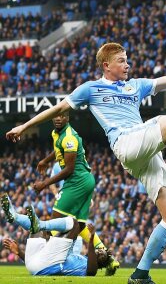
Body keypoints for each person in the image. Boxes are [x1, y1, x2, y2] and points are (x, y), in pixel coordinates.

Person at [6, 43, 166, 284]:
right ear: (106, 65)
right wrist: (25, 126)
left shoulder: (136, 86)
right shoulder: (91, 89)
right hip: (125, 142)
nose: (127, 64)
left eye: (127, 59)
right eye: (122, 61)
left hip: (144, 149)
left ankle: (140, 274)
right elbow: (58, 108)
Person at [35, 111, 119, 275]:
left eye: (62, 116)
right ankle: (109, 260)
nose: (58, 119)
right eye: (56, 116)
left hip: (76, 182)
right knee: (79, 226)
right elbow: (58, 149)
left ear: (68, 118)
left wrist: (45, 183)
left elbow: (69, 169)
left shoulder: (70, 138)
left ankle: (47, 260)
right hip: (82, 182)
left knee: (53, 224)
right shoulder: (56, 134)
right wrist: (45, 160)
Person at [2, 198, 111, 276]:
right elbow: (37, 260)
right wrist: (19, 252)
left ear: (101, 264)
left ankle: (41, 224)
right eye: (101, 250)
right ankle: (15, 216)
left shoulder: (91, 270)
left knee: (74, 224)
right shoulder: (80, 257)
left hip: (47, 266)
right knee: (39, 232)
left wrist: (91, 239)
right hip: (34, 265)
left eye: (103, 255)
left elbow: (92, 270)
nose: (100, 252)